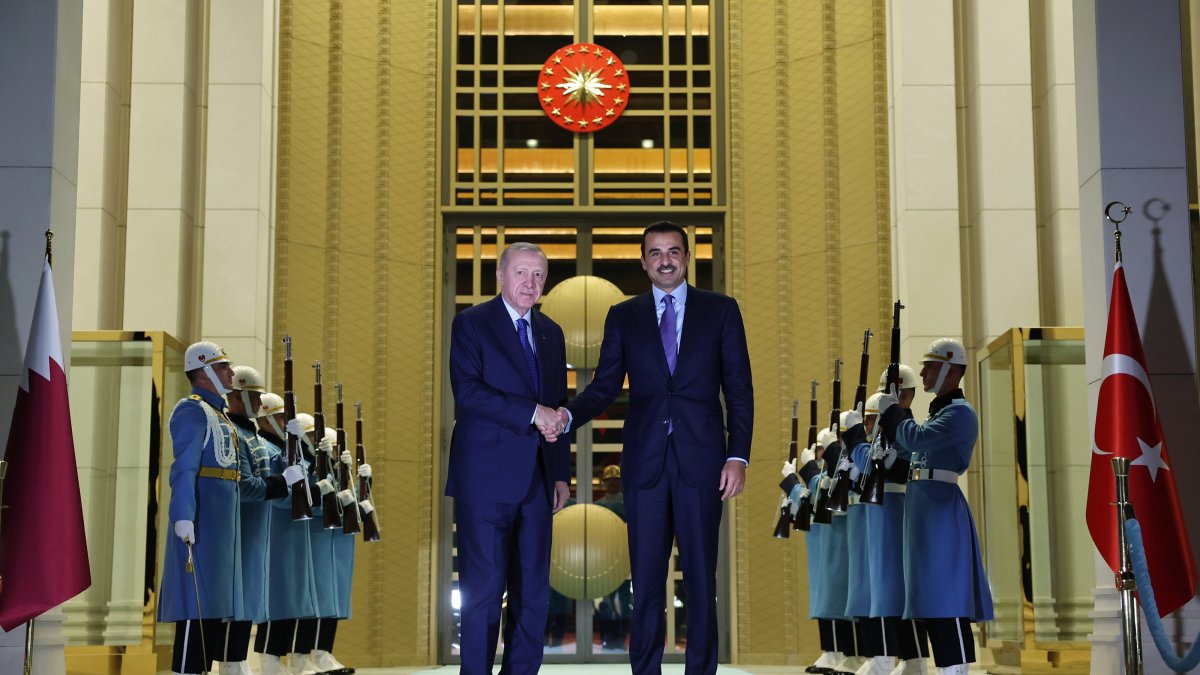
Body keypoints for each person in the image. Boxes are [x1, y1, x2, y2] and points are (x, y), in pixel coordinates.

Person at [562, 221, 754, 675]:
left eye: (673, 251)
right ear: (644, 261)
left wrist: (738, 454)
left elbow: (740, 389)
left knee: (701, 580)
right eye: (655, 253)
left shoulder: (721, 310)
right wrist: (566, 415)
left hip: (704, 464)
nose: (665, 260)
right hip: (645, 466)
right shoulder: (623, 316)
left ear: (687, 258)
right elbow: (605, 385)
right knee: (645, 582)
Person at [446, 241, 572, 675]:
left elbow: (556, 402)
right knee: (483, 593)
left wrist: (560, 474)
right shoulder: (472, 324)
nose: (529, 283)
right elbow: (468, 393)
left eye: (538, 275)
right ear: (500, 276)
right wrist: (531, 413)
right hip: (484, 481)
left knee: (533, 595)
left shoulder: (551, 332)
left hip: (537, 483)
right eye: (520, 273)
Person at [878, 339, 994, 675]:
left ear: (951, 370)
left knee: (945, 592)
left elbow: (915, 439)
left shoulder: (959, 413)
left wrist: (893, 413)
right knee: (927, 595)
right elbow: (912, 455)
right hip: (921, 509)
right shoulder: (939, 413)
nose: (925, 372)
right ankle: (936, 663)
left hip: (941, 510)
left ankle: (955, 666)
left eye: (930, 366)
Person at [157, 341, 240, 675]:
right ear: (204, 371)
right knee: (196, 601)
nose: (230, 372)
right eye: (223, 367)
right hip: (201, 518)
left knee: (214, 603)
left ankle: (203, 668)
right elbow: (184, 468)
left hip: (220, 523)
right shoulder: (191, 410)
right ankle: (187, 670)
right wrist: (183, 515)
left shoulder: (220, 413)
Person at [219, 366, 300, 675]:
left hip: (257, 525)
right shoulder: (233, 432)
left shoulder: (251, 435)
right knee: (235, 598)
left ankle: (236, 660)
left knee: (249, 596)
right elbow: (246, 484)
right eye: (252, 395)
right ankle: (229, 661)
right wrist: (282, 482)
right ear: (237, 396)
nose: (258, 400)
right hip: (239, 523)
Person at [252, 395, 320, 675]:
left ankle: (280, 657)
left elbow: (306, 477)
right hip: (274, 529)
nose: (284, 422)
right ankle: (269, 658)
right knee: (276, 598)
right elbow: (277, 494)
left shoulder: (287, 449)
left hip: (292, 531)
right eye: (280, 418)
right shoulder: (264, 448)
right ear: (265, 419)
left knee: (291, 596)